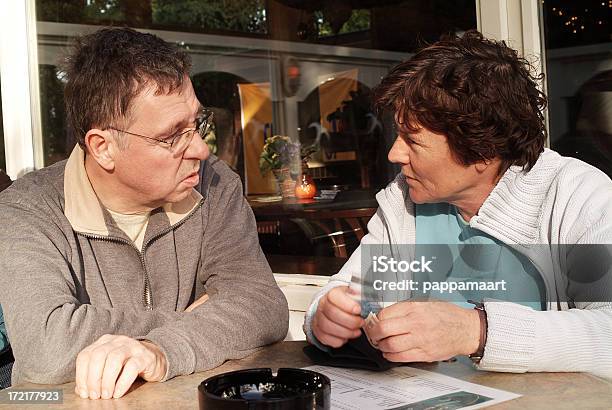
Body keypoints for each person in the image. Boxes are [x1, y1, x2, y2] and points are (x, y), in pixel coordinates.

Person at [304, 31, 612, 378]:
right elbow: (354, 289)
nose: (394, 154)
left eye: (413, 139)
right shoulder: (404, 198)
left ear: (481, 149)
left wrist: (475, 332)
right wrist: (326, 316)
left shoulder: (577, 195)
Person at [0, 28, 288, 398]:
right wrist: (194, 319)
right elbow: (48, 349)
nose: (200, 149)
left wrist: (160, 350)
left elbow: (265, 307)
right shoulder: (27, 210)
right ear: (102, 148)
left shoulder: (215, 184)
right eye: (172, 136)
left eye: (197, 124)